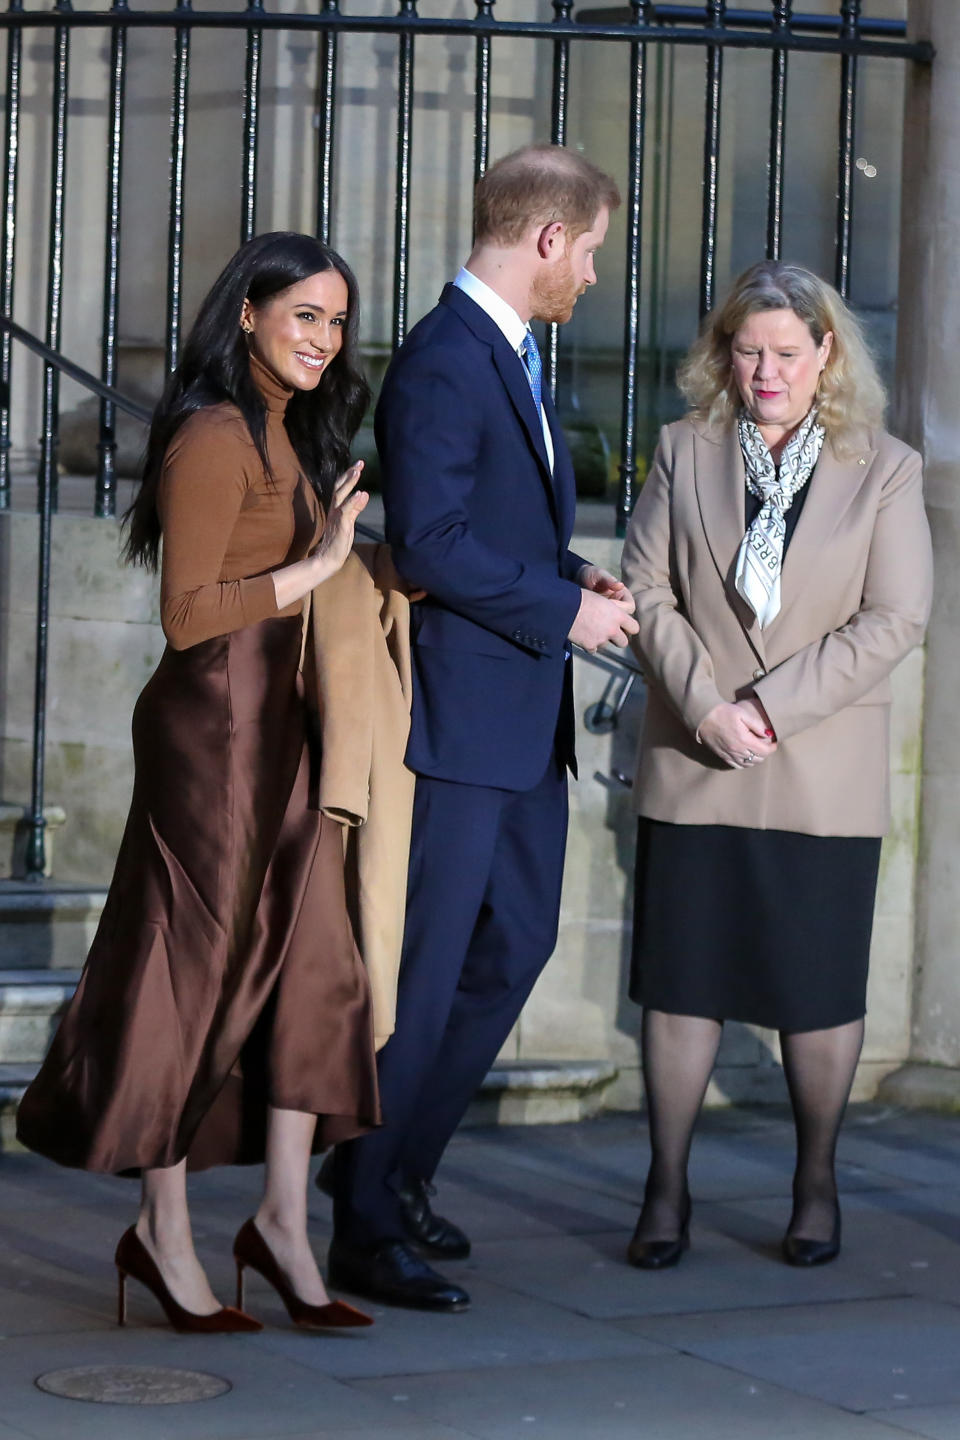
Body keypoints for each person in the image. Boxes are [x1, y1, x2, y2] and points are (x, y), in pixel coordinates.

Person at [16, 231, 381, 1333]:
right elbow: (186, 618)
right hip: (211, 734)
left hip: (285, 727)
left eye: (336, 320)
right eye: (304, 315)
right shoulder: (215, 434)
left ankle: (281, 1222)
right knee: (192, 971)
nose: (323, 337)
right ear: (247, 316)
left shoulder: (285, 425)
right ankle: (163, 1232)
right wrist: (310, 571)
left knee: (315, 962)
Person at [322, 144, 638, 1311]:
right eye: (592, 250)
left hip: (520, 718)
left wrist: (572, 576)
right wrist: (561, 611)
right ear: (547, 239)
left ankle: (397, 1169)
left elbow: (493, 526)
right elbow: (434, 543)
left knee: (515, 947)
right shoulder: (446, 360)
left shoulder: (511, 351)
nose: (594, 275)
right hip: (459, 720)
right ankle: (361, 1217)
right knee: (430, 969)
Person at [620, 259, 933, 1270]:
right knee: (681, 987)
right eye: (748, 351)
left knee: (815, 990)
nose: (766, 372)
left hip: (820, 770)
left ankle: (815, 1182)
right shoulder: (683, 450)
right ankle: (665, 1188)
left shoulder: (884, 467)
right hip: (694, 757)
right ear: (724, 354)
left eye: (787, 354)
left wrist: (769, 706)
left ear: (826, 354)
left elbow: (899, 617)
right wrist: (707, 707)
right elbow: (646, 593)